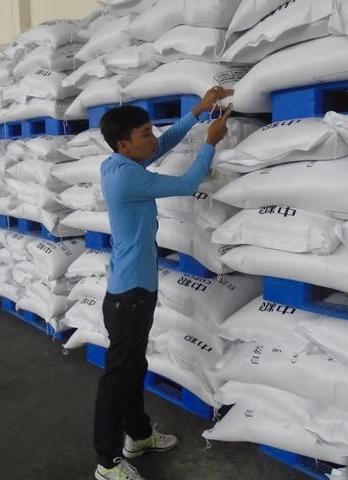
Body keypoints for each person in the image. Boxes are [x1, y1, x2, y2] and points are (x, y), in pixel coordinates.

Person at [93, 86, 233, 480]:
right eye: (145, 134)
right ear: (125, 144)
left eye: (150, 130)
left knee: (133, 368)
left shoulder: (117, 164)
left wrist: (198, 112)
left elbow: (163, 145)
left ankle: (138, 436)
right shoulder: (128, 179)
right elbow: (187, 184)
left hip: (130, 292)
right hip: (131, 296)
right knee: (117, 380)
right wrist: (210, 142)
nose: (153, 138)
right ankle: (106, 463)